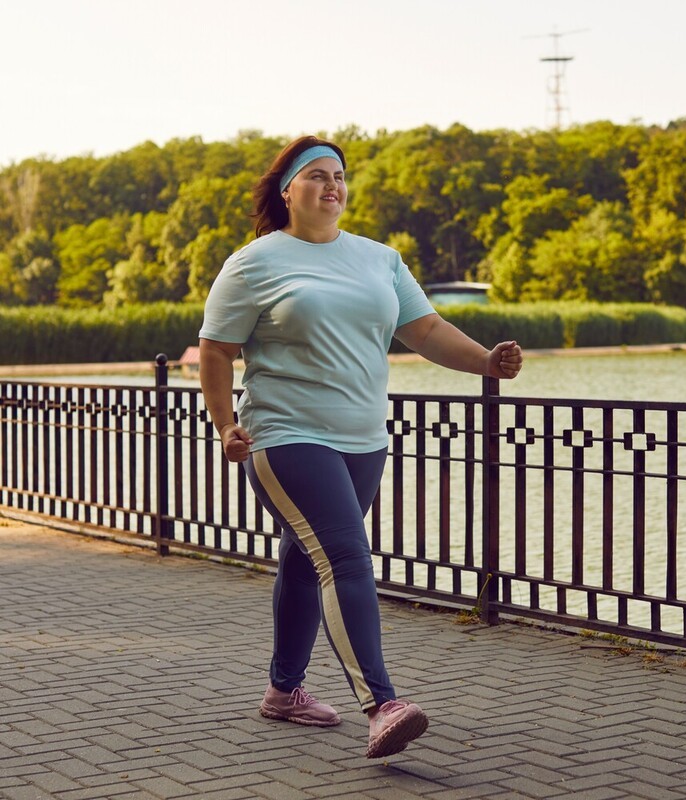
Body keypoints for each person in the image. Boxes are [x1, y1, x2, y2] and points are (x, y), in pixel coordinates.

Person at [197, 135, 523, 759]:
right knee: (345, 556)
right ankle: (383, 703)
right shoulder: (254, 263)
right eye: (316, 176)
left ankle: (283, 692)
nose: (332, 186)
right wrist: (223, 423)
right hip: (285, 434)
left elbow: (424, 329)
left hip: (363, 439)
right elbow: (216, 348)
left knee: (304, 556)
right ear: (288, 191)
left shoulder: (380, 260)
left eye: (340, 176)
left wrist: (485, 361)